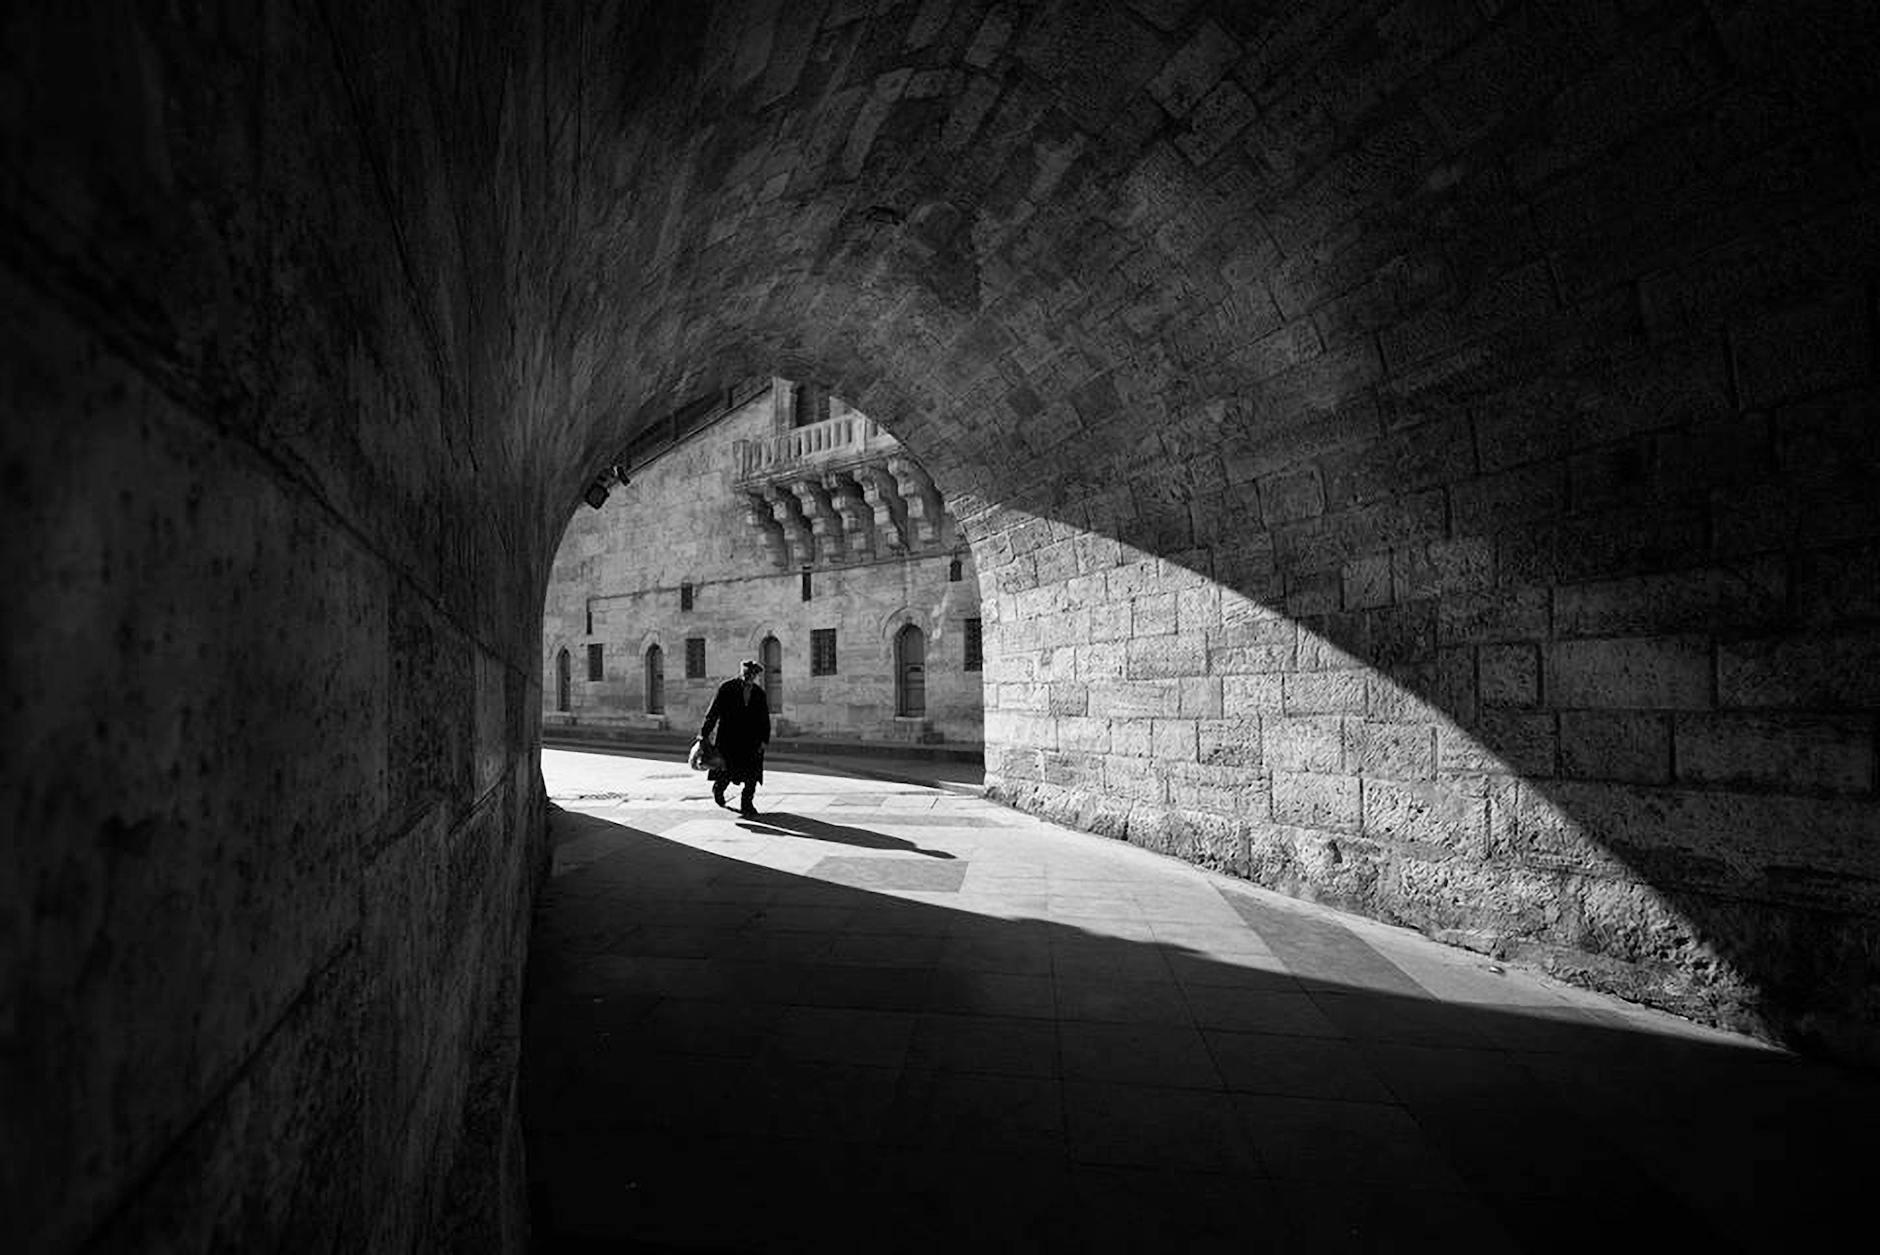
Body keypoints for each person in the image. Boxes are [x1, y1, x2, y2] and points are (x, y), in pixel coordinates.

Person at [698, 658, 770, 816]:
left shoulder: (759, 694)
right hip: (729, 739)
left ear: (756, 676)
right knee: (727, 772)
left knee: (752, 774)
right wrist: (703, 734)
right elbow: (713, 712)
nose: (749, 677)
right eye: (747, 674)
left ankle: (747, 803)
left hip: (752, 741)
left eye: (752, 675)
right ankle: (719, 789)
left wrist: (764, 740)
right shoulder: (727, 688)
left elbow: (764, 719)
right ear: (742, 673)